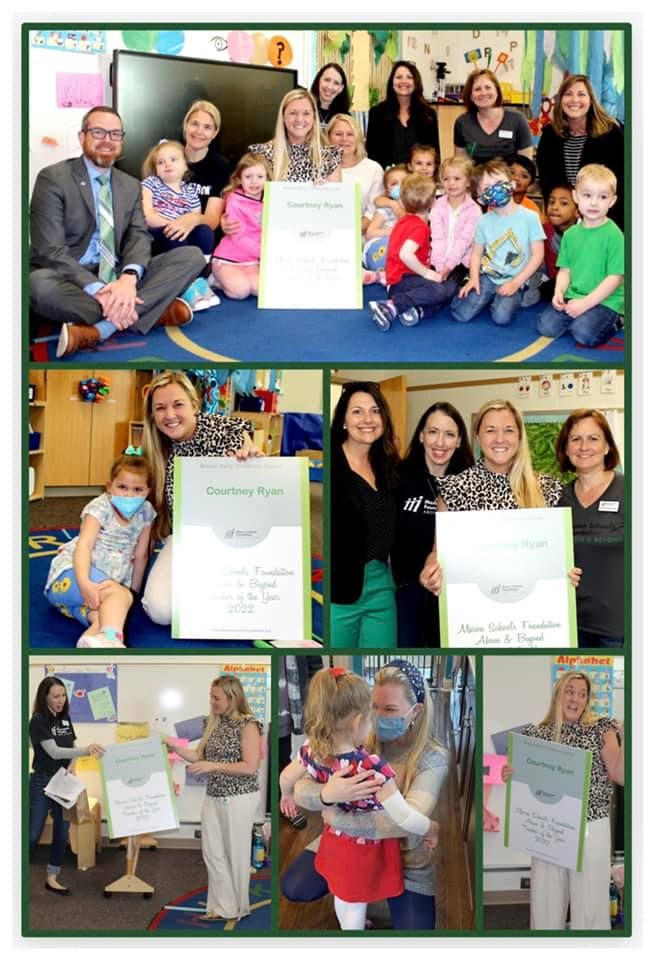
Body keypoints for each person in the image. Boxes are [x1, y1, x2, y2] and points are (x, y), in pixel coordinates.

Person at [282, 660, 448, 931]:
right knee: (302, 887)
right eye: (373, 707)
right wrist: (326, 794)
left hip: (405, 859)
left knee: (413, 933)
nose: (379, 716)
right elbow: (301, 787)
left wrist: (332, 814)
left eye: (390, 709)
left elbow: (400, 821)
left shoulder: (432, 757)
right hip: (348, 846)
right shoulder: (359, 751)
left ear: (416, 711)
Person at [29, 105, 206, 358]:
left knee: (192, 257)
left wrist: (129, 278)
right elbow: (50, 250)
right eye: (98, 132)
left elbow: (138, 235)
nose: (107, 141)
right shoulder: (53, 178)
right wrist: (100, 290)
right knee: (37, 286)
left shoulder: (130, 185)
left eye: (115, 134)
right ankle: (148, 311)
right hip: (70, 277)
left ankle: (101, 329)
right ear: (82, 137)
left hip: (117, 274)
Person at [501, 671, 624, 929]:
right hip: (549, 826)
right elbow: (524, 784)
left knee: (590, 904)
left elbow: (620, 775)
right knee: (546, 904)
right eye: (570, 691)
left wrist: (631, 738)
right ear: (558, 694)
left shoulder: (601, 729)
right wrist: (510, 774)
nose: (575, 698)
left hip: (591, 825)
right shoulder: (535, 735)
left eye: (582, 694)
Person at [141, 371, 258, 626]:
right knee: (160, 610)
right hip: (185, 537)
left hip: (233, 538)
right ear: (152, 414)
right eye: (160, 408)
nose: (169, 415)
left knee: (246, 605)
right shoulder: (155, 451)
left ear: (195, 404)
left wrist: (252, 464)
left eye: (178, 404)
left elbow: (254, 486)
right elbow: (145, 518)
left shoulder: (226, 432)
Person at [419, 399, 565, 597]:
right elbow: (439, 553)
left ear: (520, 436)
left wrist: (566, 572)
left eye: (508, 430)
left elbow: (558, 555)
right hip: (475, 612)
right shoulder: (454, 490)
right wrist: (431, 567)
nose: (499, 439)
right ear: (478, 436)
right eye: (490, 430)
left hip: (533, 610)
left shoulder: (547, 488)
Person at [168, 676, 263, 921]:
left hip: (240, 796)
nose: (212, 702)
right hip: (215, 795)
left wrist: (212, 766)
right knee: (213, 853)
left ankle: (237, 908)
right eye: (211, 697)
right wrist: (177, 749)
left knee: (235, 853)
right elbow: (198, 756)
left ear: (233, 697)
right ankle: (223, 906)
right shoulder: (212, 722)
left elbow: (250, 766)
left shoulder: (249, 725)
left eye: (216, 698)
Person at [44, 452, 155, 648]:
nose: (129, 495)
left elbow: (141, 554)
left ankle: (92, 639)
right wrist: (85, 582)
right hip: (71, 578)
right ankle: (110, 638)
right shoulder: (100, 508)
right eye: (122, 487)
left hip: (79, 604)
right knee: (119, 596)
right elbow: (84, 546)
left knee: (103, 616)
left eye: (138, 489)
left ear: (148, 491)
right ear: (109, 486)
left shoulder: (146, 512)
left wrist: (134, 592)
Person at [391, 402, 474, 647]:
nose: (440, 442)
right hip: (406, 593)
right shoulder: (397, 477)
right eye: (433, 432)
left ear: (459, 441)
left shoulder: (470, 483)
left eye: (449, 434)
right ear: (421, 435)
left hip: (453, 596)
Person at [330, 381, 400, 648]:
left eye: (375, 411)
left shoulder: (389, 464)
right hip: (340, 590)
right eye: (357, 411)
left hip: (382, 586)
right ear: (344, 420)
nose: (368, 419)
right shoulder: (331, 463)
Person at [555, 410, 624, 647]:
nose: (584, 446)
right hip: (568, 626)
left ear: (607, 447)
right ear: (566, 449)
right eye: (575, 439)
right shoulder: (558, 498)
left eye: (593, 438)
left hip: (619, 628)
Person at [29, 677, 105, 895]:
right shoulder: (38, 721)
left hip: (62, 782)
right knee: (33, 833)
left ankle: (52, 877)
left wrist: (73, 764)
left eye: (63, 695)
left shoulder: (64, 719)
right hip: (43, 782)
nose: (61, 700)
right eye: (56, 696)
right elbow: (53, 752)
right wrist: (85, 750)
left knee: (62, 833)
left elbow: (69, 747)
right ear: (45, 698)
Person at [536, 164, 624, 347]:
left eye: (602, 197)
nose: (594, 203)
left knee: (584, 334)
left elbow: (615, 278)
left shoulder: (614, 235)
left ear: (612, 201)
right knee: (546, 327)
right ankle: (581, 315)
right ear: (576, 196)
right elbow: (565, 270)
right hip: (574, 294)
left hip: (606, 300)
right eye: (587, 195)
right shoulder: (571, 234)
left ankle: (619, 319)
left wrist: (585, 304)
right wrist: (559, 292)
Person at [450, 159, 545, 327]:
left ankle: (522, 293)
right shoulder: (483, 221)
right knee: (460, 314)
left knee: (502, 318)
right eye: (487, 188)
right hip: (489, 276)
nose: (495, 189)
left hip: (516, 278)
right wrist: (473, 279)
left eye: (500, 183)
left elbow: (538, 255)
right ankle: (486, 295)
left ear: (512, 184)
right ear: (480, 199)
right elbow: (476, 254)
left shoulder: (530, 217)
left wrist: (516, 283)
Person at [368, 174, 456, 331]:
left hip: (402, 280)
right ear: (433, 202)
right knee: (438, 290)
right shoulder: (420, 227)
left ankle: (416, 310)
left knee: (450, 287)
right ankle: (391, 306)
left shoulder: (404, 220)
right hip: (402, 282)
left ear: (401, 201)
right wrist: (427, 273)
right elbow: (405, 254)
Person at [536, 74, 624, 228]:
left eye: (581, 94)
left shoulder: (611, 133)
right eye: (568, 94)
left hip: (605, 218)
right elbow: (546, 180)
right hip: (564, 222)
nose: (574, 100)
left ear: (591, 100)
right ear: (560, 100)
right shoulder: (551, 134)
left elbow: (621, 180)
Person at [211, 152, 272, 300]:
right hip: (228, 260)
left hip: (251, 262)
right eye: (248, 177)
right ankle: (214, 279)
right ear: (239, 179)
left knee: (260, 290)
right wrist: (264, 253)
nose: (254, 182)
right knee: (241, 292)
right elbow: (239, 236)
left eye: (260, 177)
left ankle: (238, 279)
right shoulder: (234, 200)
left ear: (268, 178)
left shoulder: (270, 199)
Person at [248, 88, 342, 183]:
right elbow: (250, 194)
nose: (300, 119)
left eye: (306, 113)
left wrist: (325, 191)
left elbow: (336, 197)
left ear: (314, 117)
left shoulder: (330, 156)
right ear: (283, 117)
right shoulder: (262, 154)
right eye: (293, 113)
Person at [140, 139, 215, 255]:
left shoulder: (190, 192)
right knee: (175, 236)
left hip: (181, 231)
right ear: (156, 170)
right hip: (157, 231)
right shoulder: (151, 183)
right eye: (160, 162)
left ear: (185, 165)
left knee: (204, 231)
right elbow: (146, 216)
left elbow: (195, 218)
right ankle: (182, 267)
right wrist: (174, 225)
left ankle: (202, 265)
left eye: (173, 159)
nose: (167, 164)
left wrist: (184, 226)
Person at [365, 61, 440, 170]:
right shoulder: (377, 113)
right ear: (392, 82)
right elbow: (372, 154)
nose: (404, 81)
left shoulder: (428, 114)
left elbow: (435, 154)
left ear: (416, 82)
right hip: (387, 178)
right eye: (399, 77)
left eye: (409, 77)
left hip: (419, 179)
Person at [453, 68, 533, 163]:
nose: (483, 93)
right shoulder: (462, 123)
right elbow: (460, 165)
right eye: (477, 89)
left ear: (497, 91)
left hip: (509, 177)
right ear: (471, 96)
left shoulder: (517, 120)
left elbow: (526, 166)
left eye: (488, 87)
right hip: (475, 177)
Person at [428, 155, 481, 288]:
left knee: (448, 289)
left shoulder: (474, 210)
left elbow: (464, 241)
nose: (451, 183)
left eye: (457, 179)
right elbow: (437, 237)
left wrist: (449, 266)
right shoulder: (437, 205)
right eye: (446, 179)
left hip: (460, 263)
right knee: (428, 283)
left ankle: (420, 307)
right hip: (437, 260)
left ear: (468, 182)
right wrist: (440, 266)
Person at [326, 113, 384, 233]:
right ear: (328, 137)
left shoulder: (373, 169)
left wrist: (350, 231)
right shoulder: (318, 168)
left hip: (359, 237)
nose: (344, 139)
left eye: (350, 134)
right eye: (338, 134)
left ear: (358, 138)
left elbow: (373, 212)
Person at [181, 99, 232, 231]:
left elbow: (212, 220)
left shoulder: (222, 167)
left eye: (207, 127)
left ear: (215, 133)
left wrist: (192, 219)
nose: (199, 131)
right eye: (194, 124)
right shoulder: (167, 157)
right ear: (185, 125)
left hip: (201, 239)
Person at [362, 164, 409, 275]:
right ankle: (380, 275)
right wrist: (395, 231)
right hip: (380, 247)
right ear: (387, 192)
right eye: (394, 183)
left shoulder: (415, 209)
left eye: (404, 181)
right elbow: (370, 233)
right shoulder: (385, 210)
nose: (400, 186)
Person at [541, 184, 579, 302]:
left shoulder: (584, 234)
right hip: (556, 279)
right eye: (551, 202)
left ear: (578, 211)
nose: (555, 207)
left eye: (564, 203)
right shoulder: (544, 229)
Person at [310, 62, 351, 130]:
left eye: (336, 83)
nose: (330, 87)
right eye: (327, 80)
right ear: (319, 80)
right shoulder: (305, 110)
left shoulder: (345, 117)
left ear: (341, 88)